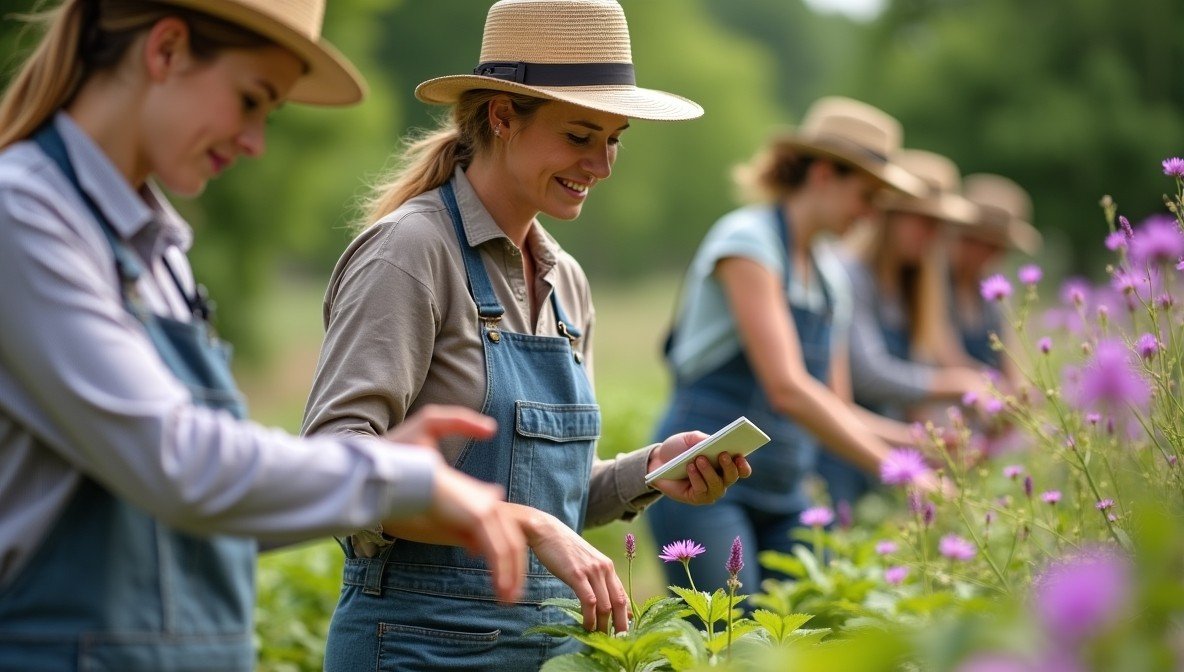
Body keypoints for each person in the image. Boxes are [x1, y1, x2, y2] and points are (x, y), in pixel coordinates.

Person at [0, 2, 531, 670]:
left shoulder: (158, 253)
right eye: (250, 100)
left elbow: (201, 518)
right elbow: (180, 463)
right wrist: (390, 473)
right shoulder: (21, 217)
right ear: (165, 50)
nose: (255, 142)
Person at [300, 1, 751, 669]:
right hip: (415, 646)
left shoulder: (565, 281)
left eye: (615, 138)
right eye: (579, 136)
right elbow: (330, 470)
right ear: (502, 117)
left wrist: (650, 472)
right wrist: (525, 525)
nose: (602, 164)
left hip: (549, 650)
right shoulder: (411, 253)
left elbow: (555, 498)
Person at [646, 97, 937, 595]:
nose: (870, 215)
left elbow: (837, 405)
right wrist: (900, 474)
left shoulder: (830, 277)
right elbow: (788, 389)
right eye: (866, 195)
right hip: (705, 482)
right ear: (824, 174)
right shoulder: (747, 242)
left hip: (786, 491)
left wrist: (918, 445)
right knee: (730, 645)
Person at [818, 149, 990, 509]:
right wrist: (953, 384)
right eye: (923, 221)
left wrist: (938, 443)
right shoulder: (847, 275)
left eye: (939, 225)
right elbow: (868, 374)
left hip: (884, 449)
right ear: (889, 216)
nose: (932, 235)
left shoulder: (912, 289)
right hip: (838, 454)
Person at [948, 173, 1040, 377]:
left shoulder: (991, 295)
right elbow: (945, 358)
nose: (991, 254)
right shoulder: (936, 283)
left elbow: (1011, 358)